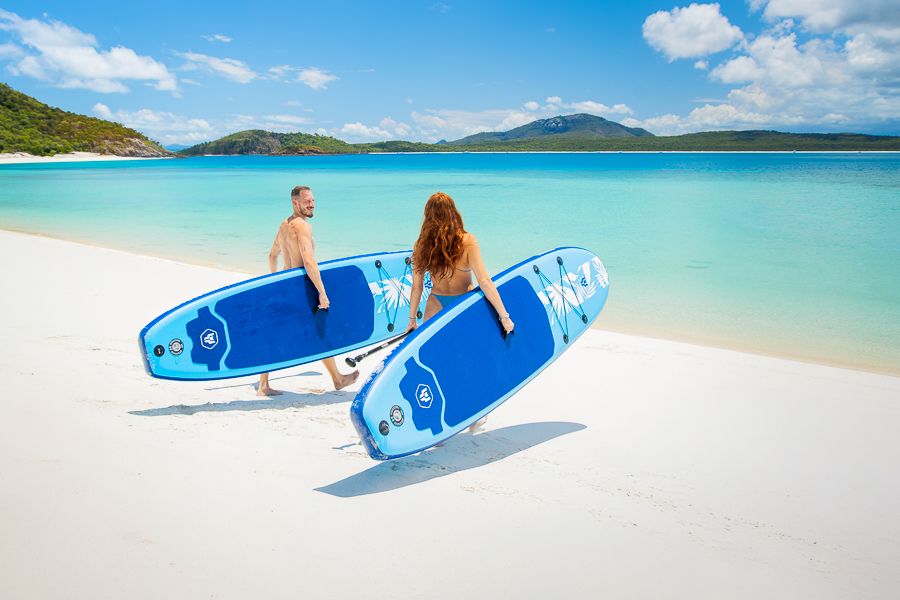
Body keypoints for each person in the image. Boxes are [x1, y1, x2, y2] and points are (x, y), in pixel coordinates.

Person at [405, 191, 514, 431]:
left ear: (427, 216)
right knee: (472, 361)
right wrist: (504, 315)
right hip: (463, 309)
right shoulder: (467, 241)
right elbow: (484, 281)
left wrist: (412, 319)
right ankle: (473, 418)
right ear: (454, 212)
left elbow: (417, 286)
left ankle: (439, 421)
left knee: (439, 365)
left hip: (435, 306)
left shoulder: (422, 244)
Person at [257, 186, 359, 396]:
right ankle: (338, 379)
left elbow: (272, 255)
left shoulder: (284, 225)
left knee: (278, 332)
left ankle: (263, 385)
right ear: (295, 203)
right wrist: (322, 292)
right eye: (307, 201)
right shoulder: (303, 227)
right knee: (319, 331)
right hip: (300, 288)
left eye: (313, 200)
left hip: (285, 286)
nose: (312, 205)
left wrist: (274, 280)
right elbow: (309, 261)